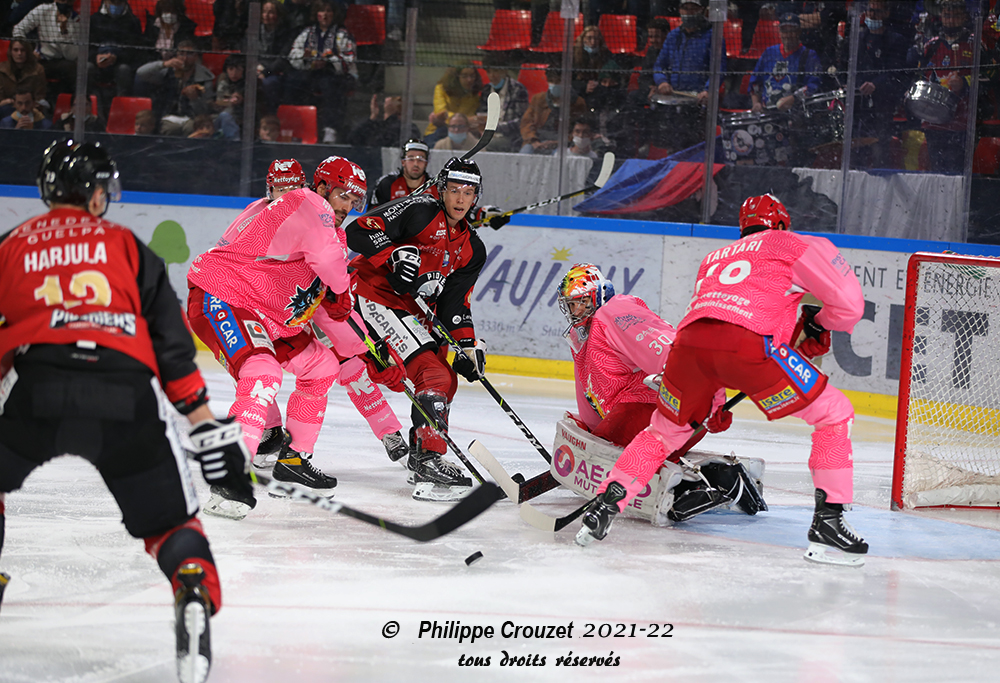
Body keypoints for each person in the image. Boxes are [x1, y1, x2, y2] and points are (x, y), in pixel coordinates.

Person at [0, 139, 254, 682]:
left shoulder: (12, 245)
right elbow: (173, 350)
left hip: (39, 389)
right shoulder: (127, 245)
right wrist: (205, 427)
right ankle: (190, 584)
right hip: (125, 394)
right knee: (172, 524)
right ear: (94, 195)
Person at [576, 194, 869, 568]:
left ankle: (604, 505)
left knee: (663, 433)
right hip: (749, 346)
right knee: (834, 412)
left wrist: (711, 403)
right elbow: (849, 306)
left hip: (687, 349)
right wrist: (820, 322)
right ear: (782, 223)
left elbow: (711, 334)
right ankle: (829, 521)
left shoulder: (716, 257)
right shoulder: (796, 244)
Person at [186, 156, 397, 516]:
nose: (347, 206)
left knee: (322, 366)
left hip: (271, 316)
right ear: (321, 187)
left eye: (355, 200)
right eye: (343, 195)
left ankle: (294, 461)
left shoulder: (331, 233)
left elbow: (330, 312)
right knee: (262, 372)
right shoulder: (307, 203)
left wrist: (369, 352)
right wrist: (341, 289)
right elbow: (330, 270)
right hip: (224, 297)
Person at [346, 158, 491, 501]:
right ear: (441, 189)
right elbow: (358, 230)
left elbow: (454, 306)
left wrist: (467, 346)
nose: (460, 198)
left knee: (446, 377)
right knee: (433, 374)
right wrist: (392, 255)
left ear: (476, 197)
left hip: (410, 310)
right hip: (373, 296)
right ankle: (428, 459)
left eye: (468, 192)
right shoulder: (420, 209)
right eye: (454, 190)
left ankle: (420, 453)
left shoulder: (473, 249)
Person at [841, 0, 909, 169]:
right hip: (858, 103)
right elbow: (849, 67)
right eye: (870, 11)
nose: (872, 15)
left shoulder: (896, 40)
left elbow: (895, 72)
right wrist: (850, 85)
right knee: (854, 148)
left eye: (877, 11)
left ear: (886, 13)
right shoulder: (857, 39)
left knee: (879, 147)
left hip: (882, 103)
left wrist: (876, 84)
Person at [652, 0, 723, 152]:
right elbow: (659, 65)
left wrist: (708, 90)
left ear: (701, 10)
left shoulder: (713, 36)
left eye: (693, 9)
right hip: (673, 97)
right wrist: (662, 81)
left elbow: (719, 69)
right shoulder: (673, 36)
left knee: (687, 141)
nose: (689, 13)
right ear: (680, 10)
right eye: (685, 9)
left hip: (697, 100)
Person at [916, 0, 978, 173]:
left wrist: (965, 82)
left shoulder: (975, 44)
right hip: (933, 121)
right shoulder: (930, 45)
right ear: (941, 16)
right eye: (947, 15)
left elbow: (989, 77)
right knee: (937, 172)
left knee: (959, 173)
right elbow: (918, 75)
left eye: (955, 16)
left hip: (962, 122)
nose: (950, 21)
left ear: (964, 17)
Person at [284, 0, 359, 144]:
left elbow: (350, 58)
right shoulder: (307, 32)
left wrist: (329, 61)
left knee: (330, 85)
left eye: (328, 11)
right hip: (312, 72)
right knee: (293, 81)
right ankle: (295, 127)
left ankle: (331, 129)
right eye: (321, 11)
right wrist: (305, 58)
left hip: (337, 74)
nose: (325, 15)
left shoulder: (343, 34)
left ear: (334, 14)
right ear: (316, 14)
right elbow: (293, 54)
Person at [134, 39, 215, 136]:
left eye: (189, 54)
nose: (185, 58)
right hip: (167, 114)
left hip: (192, 116)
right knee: (170, 129)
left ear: (196, 56)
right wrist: (163, 64)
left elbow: (206, 109)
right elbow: (141, 73)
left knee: (190, 128)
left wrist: (194, 99)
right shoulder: (167, 72)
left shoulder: (205, 77)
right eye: (181, 54)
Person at [750, 12, 822, 113]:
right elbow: (755, 82)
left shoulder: (809, 55)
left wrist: (794, 98)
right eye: (784, 31)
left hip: (796, 113)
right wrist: (756, 103)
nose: (788, 35)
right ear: (779, 32)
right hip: (767, 113)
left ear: (799, 32)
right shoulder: (769, 53)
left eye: (792, 31)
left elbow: (814, 85)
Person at [13, 0, 80, 101]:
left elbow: (72, 56)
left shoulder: (77, 20)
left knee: (70, 68)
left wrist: (64, 31)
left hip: (65, 62)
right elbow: (18, 29)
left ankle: (65, 103)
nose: (64, 3)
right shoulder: (42, 10)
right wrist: (28, 52)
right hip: (43, 59)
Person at [87, 0, 144, 120]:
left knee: (124, 70)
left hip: (120, 63)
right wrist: (95, 57)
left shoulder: (133, 21)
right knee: (87, 68)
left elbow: (135, 51)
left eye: (118, 2)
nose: (115, 5)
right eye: (113, 2)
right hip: (97, 64)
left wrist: (116, 58)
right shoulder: (94, 20)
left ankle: (120, 113)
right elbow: (87, 47)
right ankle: (95, 112)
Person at [519, 68, 588, 154]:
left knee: (558, 157)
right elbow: (526, 123)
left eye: (558, 81)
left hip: (563, 144)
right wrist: (534, 141)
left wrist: (557, 142)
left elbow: (579, 129)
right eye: (551, 81)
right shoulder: (538, 99)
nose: (555, 85)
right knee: (525, 154)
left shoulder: (578, 103)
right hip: (537, 140)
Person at [477, 51, 530, 152]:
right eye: (489, 72)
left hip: (510, 137)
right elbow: (482, 114)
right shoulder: (486, 90)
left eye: (496, 71)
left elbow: (521, 121)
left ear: (504, 70)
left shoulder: (517, 90)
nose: (492, 76)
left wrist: (496, 128)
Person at [424, 65, 483, 146]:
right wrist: (463, 120)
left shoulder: (474, 95)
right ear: (456, 78)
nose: (469, 80)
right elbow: (441, 113)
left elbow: (472, 119)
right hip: (439, 131)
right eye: (464, 76)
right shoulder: (441, 88)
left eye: (472, 76)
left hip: (463, 133)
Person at [369, 138, 434, 207]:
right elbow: (373, 212)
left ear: (426, 163)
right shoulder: (386, 184)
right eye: (411, 159)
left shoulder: (436, 185)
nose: (416, 164)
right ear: (403, 162)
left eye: (420, 159)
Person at [345, 93, 422, 148]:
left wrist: (372, 119)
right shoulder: (378, 126)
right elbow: (353, 139)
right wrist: (372, 117)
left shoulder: (403, 128)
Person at [0, 38, 48, 119]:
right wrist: (7, 102)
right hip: (7, 106)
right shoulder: (1, 69)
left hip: (30, 107)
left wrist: (28, 104)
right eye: (15, 50)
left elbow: (40, 95)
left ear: (28, 52)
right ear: (10, 52)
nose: (19, 53)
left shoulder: (38, 70)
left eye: (22, 50)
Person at [213, 53, 245, 140]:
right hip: (218, 117)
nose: (234, 73)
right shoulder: (222, 81)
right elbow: (217, 101)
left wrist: (243, 101)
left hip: (241, 118)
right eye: (231, 69)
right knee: (225, 116)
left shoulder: (252, 84)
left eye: (238, 69)